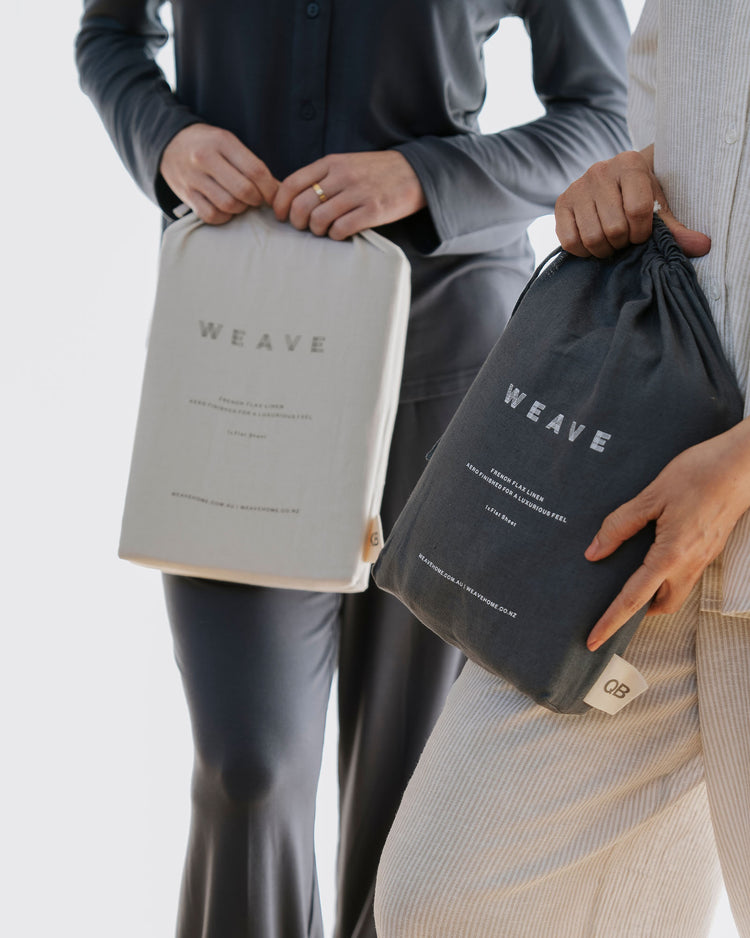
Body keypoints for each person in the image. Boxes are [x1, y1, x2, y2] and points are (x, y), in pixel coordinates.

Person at [75, 2, 632, 936]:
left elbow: (605, 116)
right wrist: (166, 141)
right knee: (246, 770)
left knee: (408, 807)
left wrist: (424, 175)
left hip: (453, 374)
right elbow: (110, 35)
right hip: (239, 361)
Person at [374, 2, 750, 936]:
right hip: (623, 533)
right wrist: (627, 178)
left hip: (715, 517)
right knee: (437, 898)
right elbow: (673, 114)